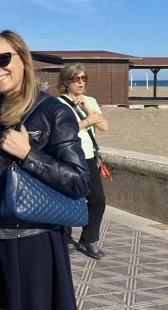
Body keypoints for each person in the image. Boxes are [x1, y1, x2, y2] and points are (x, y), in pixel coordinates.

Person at [0, 30, 90, 310]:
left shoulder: (53, 111)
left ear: (24, 60)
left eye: (3, 59)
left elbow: (80, 182)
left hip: (30, 240)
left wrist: (28, 154)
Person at [57, 63, 109, 260]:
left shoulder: (90, 101)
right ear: (65, 82)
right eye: (76, 78)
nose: (80, 82)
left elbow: (104, 126)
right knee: (69, 198)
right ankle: (66, 238)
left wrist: (87, 108)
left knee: (98, 199)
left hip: (88, 156)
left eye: (83, 78)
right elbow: (62, 132)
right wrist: (88, 121)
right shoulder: (59, 104)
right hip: (68, 155)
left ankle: (89, 238)